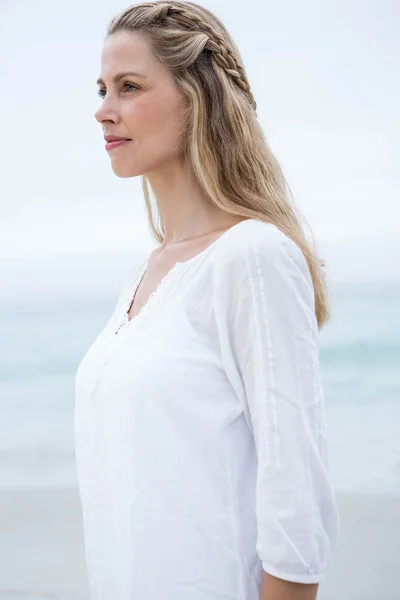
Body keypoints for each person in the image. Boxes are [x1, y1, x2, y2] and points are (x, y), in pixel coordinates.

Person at [74, 2, 340, 599]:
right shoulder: (146, 270)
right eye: (102, 88)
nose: (103, 110)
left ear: (196, 99)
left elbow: (295, 504)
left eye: (129, 87)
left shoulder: (254, 257)